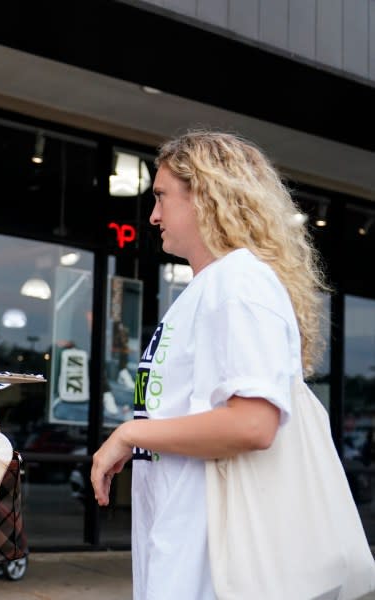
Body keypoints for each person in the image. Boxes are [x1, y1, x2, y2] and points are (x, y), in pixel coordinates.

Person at [90, 130, 328, 599]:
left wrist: (128, 434)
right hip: (185, 551)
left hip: (214, 565)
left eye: (161, 197)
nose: (153, 215)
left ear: (204, 194)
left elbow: (253, 424)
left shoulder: (240, 284)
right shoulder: (210, 287)